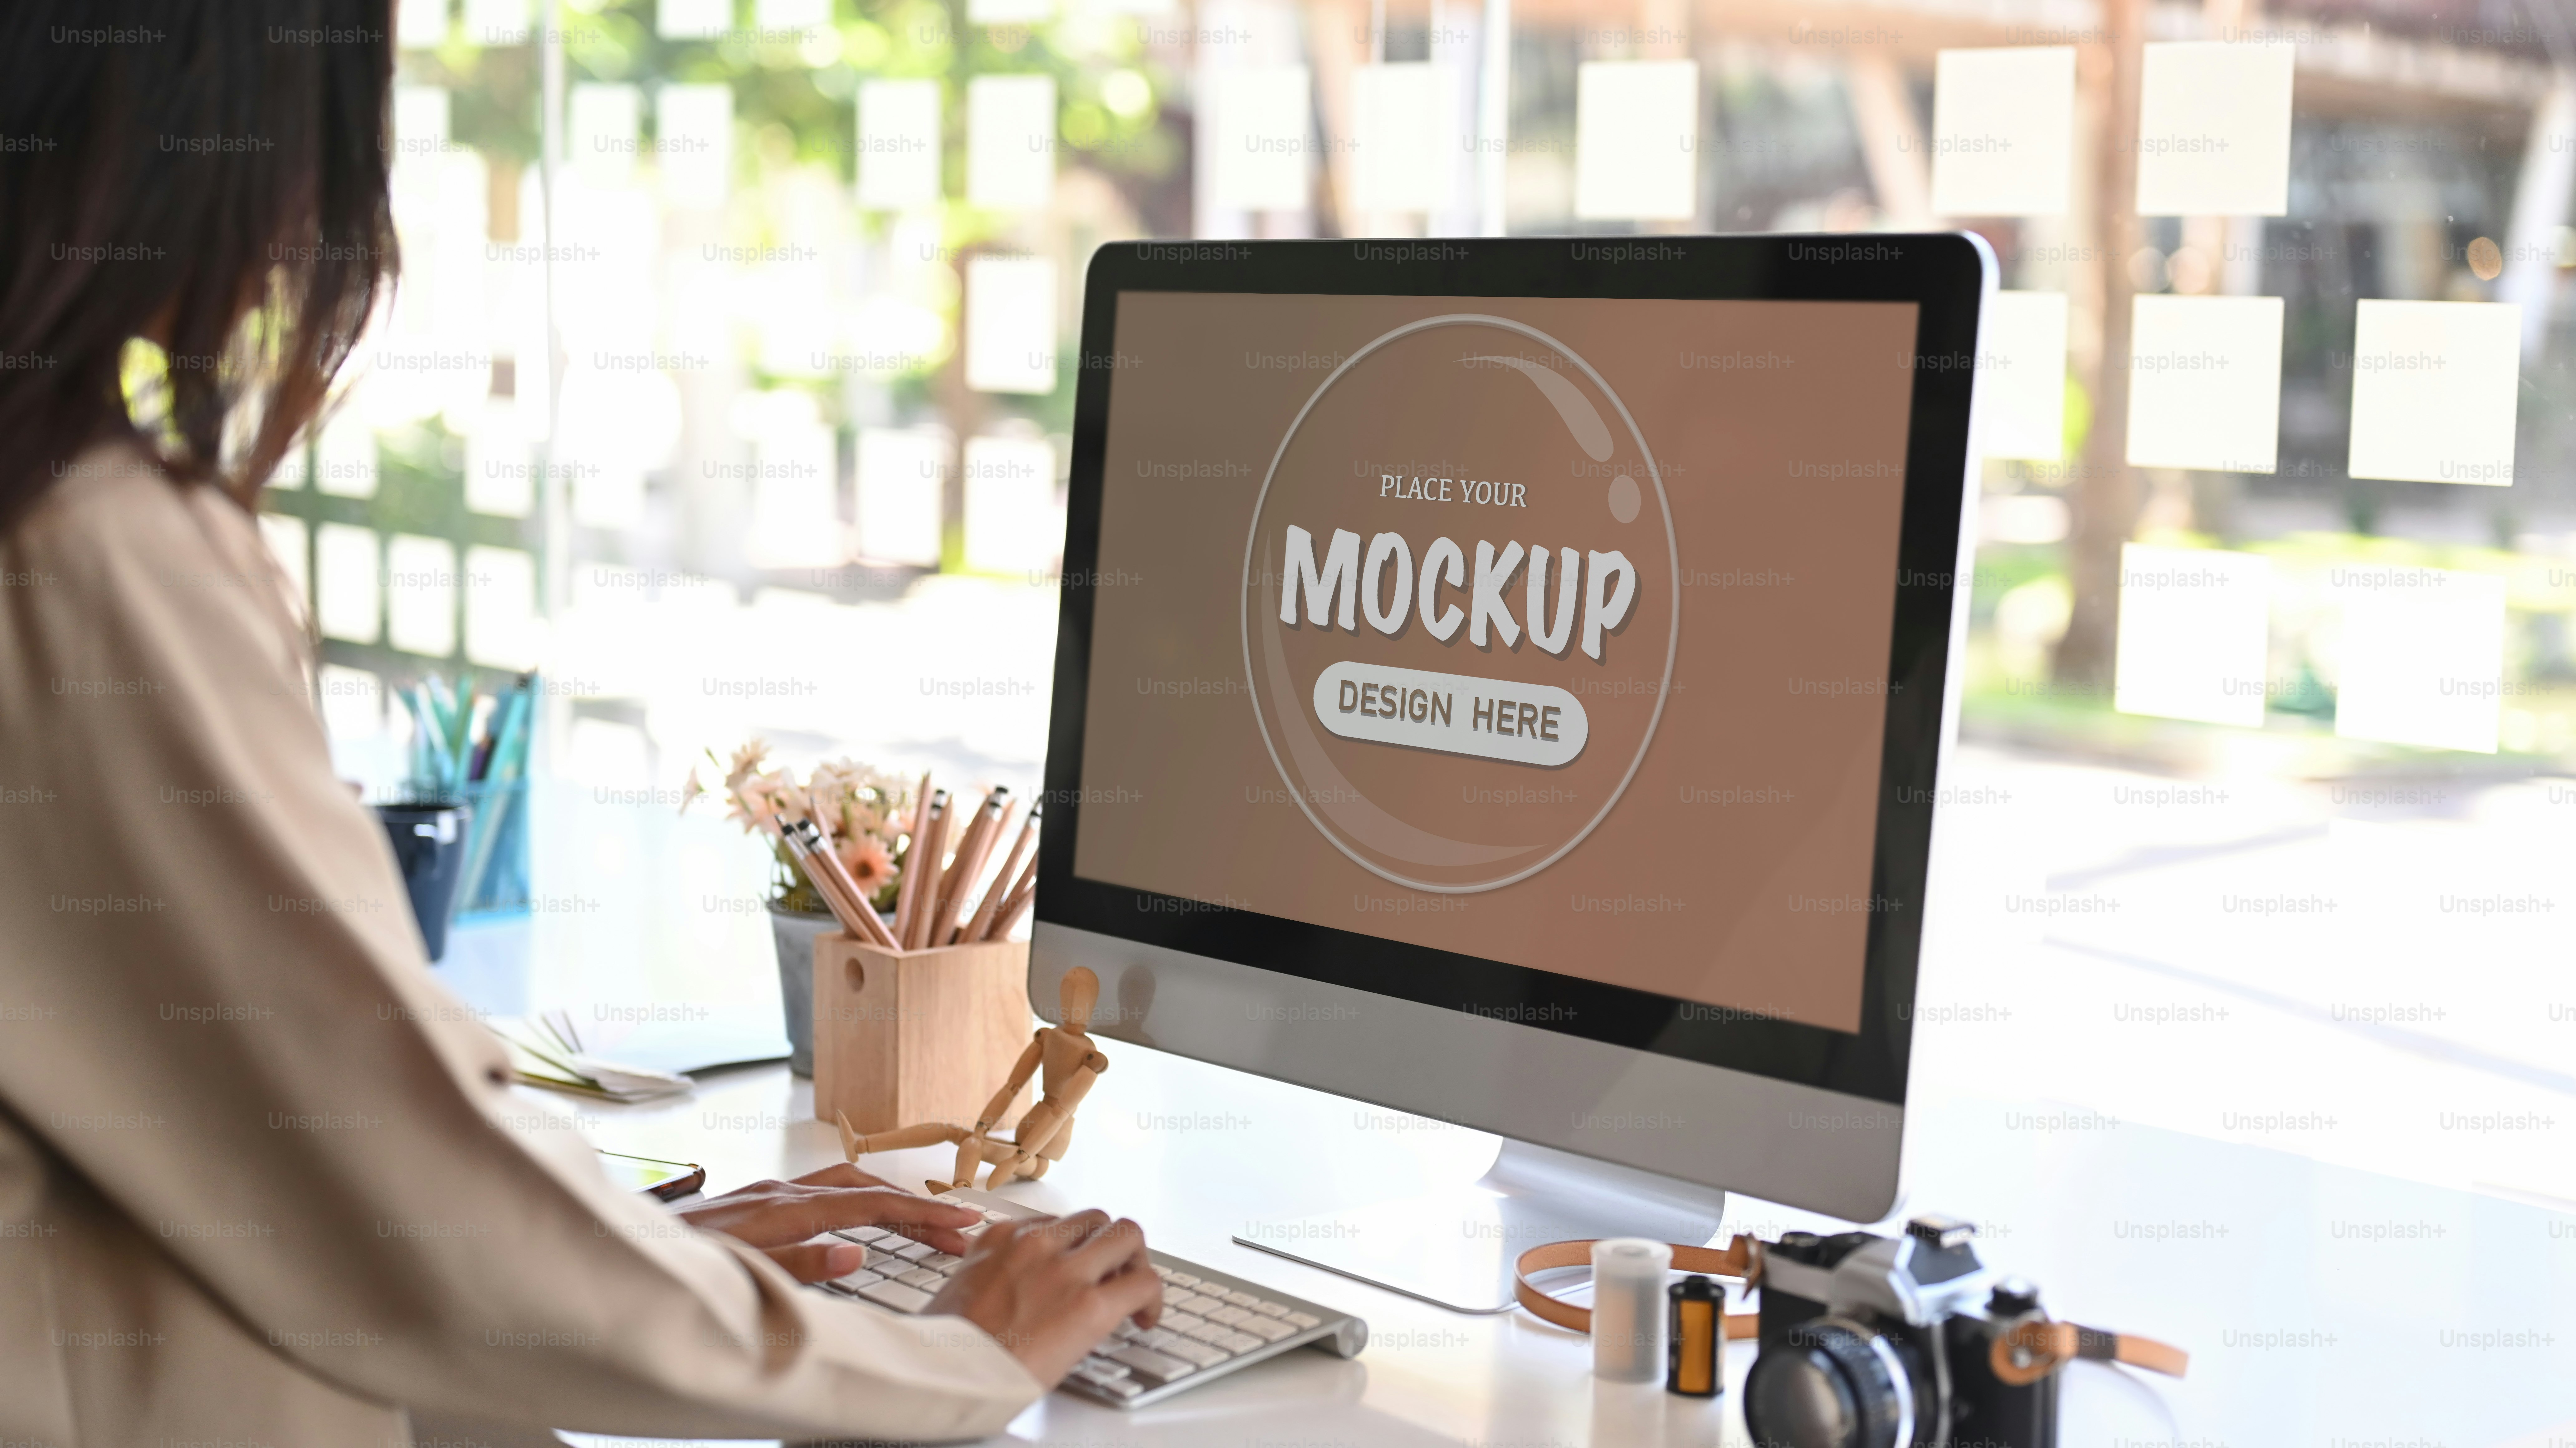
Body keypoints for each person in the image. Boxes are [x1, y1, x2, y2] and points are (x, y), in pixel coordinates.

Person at [0, 4, 1159, 1445]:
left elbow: (305, 1158)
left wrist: (627, 1252)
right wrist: (954, 1363)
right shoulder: (79, 549)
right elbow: (401, 1200)